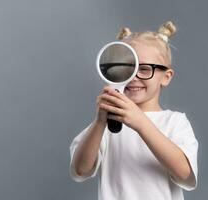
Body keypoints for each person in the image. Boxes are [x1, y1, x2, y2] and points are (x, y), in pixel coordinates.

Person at [69, 21, 198, 200]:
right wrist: (100, 122)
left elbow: (186, 176)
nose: (134, 77)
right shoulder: (105, 125)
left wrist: (141, 124)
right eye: (127, 68)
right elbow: (80, 171)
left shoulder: (175, 122)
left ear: (166, 77)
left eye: (144, 69)